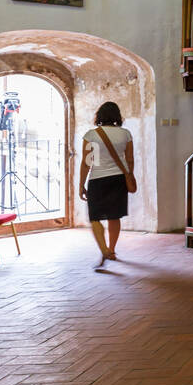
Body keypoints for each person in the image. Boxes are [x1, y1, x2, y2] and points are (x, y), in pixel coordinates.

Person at [79, 102, 133, 269]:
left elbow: (87, 162)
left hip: (97, 179)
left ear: (99, 116)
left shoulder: (91, 135)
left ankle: (104, 250)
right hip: (118, 179)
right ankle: (111, 249)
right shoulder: (125, 134)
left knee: (95, 217)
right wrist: (129, 175)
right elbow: (130, 159)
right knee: (114, 216)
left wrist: (81, 184)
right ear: (117, 115)